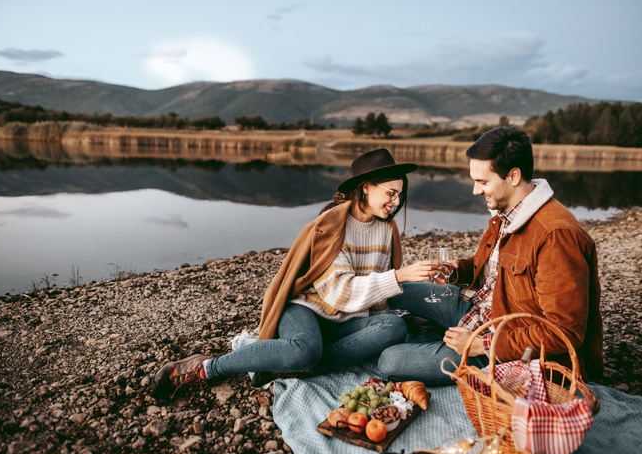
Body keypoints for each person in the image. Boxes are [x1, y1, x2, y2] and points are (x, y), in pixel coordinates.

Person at [151, 148, 439, 398]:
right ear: (366, 188)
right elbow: (339, 294)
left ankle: (290, 363)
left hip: (347, 318)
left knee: (393, 327)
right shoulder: (332, 225)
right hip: (306, 308)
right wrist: (400, 277)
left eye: (399, 195)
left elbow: (377, 296)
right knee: (304, 349)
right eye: (390, 193)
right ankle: (205, 368)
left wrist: (385, 322)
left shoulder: (386, 229)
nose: (396, 202)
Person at [379, 126, 603, 385]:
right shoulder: (507, 214)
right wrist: (456, 270)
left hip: (505, 350)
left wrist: (481, 345)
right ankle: (434, 334)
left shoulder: (556, 235)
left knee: (389, 361)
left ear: (514, 176)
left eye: (483, 182)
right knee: (398, 290)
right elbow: (492, 271)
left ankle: (435, 337)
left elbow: (563, 331)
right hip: (478, 308)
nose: (475, 190)